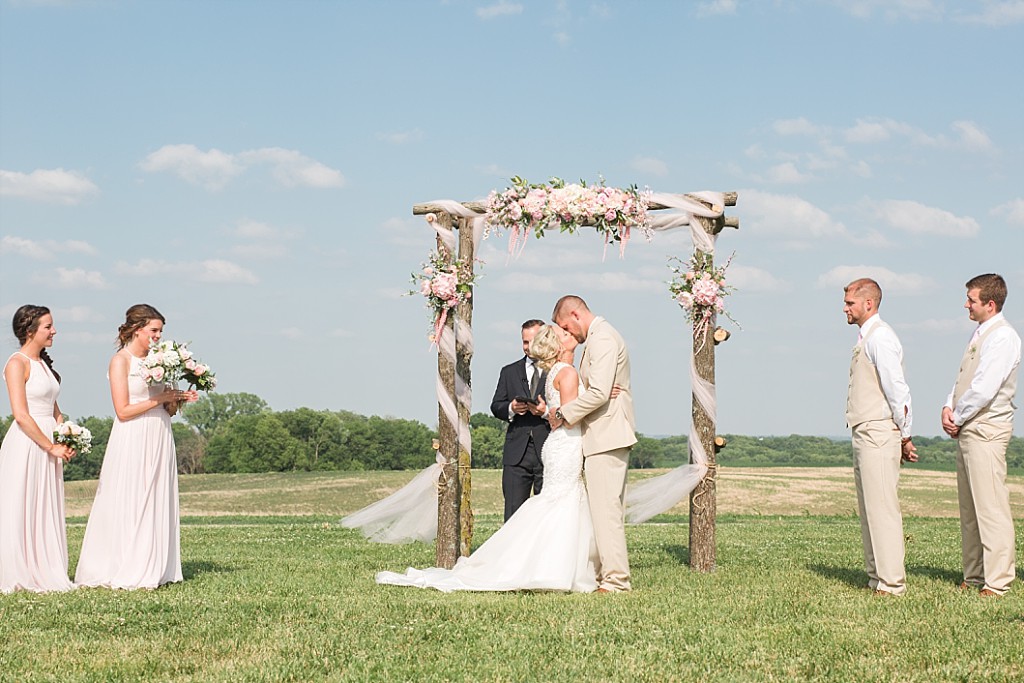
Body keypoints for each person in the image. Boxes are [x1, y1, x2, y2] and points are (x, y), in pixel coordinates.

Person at [376, 325, 597, 592]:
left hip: (552, 445)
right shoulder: (565, 372)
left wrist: (547, 412)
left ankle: (543, 564)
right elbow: (569, 416)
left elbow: (557, 411)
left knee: (555, 502)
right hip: (562, 444)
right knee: (557, 503)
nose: (569, 335)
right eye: (564, 334)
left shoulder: (553, 373)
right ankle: (548, 568)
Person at [75, 304, 196, 590]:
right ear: (137, 328)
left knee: (156, 496)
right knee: (131, 496)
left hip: (159, 433)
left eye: (160, 331)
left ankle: (155, 565)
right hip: (132, 435)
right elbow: (123, 410)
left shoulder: (160, 361)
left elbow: (168, 409)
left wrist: (178, 398)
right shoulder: (121, 360)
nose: (158, 336)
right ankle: (123, 563)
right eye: (154, 330)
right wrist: (160, 398)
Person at [941, 273, 1020, 597]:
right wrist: (948, 406)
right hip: (970, 427)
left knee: (991, 507)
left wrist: (956, 416)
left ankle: (998, 580)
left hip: (986, 429)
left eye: (971, 300)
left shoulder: (1002, 337)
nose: (966, 305)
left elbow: (985, 388)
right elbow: (965, 379)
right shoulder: (981, 333)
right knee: (970, 508)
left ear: (990, 303)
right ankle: (973, 574)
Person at [550, 295, 635, 593]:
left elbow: (599, 393)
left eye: (565, 327)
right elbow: (600, 390)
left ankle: (615, 582)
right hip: (602, 433)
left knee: (606, 512)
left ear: (575, 314)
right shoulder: (597, 339)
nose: (568, 335)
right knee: (603, 511)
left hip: (607, 435)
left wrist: (563, 413)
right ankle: (605, 576)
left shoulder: (602, 338)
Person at [842, 278, 917, 596]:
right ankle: (876, 576)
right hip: (865, 430)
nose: (844, 308)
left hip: (879, 431)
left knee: (883, 507)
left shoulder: (881, 338)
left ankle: (891, 582)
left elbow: (897, 389)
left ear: (868, 303)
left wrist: (905, 433)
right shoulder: (867, 337)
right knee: (870, 506)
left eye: (849, 303)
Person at [0, 305, 76, 594]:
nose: (54, 330)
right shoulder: (16, 363)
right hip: (28, 442)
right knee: (22, 504)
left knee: (45, 505)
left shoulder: (45, 365)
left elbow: (55, 410)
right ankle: (20, 569)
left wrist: (66, 436)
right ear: (30, 330)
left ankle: (45, 565)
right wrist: (49, 446)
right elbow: (20, 414)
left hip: (49, 440)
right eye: (48, 326)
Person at [490, 319, 550, 521]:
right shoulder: (509, 371)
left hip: (548, 449)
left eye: (532, 341)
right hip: (517, 454)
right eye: (525, 342)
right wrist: (511, 408)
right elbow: (496, 405)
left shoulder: (558, 370)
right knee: (514, 514)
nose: (528, 347)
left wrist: (544, 411)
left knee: (548, 514)